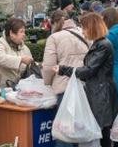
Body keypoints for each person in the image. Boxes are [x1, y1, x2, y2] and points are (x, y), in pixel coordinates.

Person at [55, 13, 118, 147]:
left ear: (92, 27)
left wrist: (63, 69)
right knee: (101, 131)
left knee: (101, 132)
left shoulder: (103, 45)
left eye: (84, 28)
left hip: (101, 94)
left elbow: (88, 70)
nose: (82, 32)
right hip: (98, 91)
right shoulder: (99, 43)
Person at [41, 10, 89, 147]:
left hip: (64, 88)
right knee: (79, 129)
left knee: (64, 131)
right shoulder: (84, 33)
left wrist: (47, 82)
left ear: (55, 23)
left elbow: (49, 66)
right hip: (84, 86)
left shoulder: (55, 38)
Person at [0, 18, 33, 88]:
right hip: (0, 90)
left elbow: (31, 65)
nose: (24, 34)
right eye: (21, 32)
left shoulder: (25, 48)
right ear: (11, 33)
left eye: (24, 32)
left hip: (19, 90)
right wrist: (21, 59)